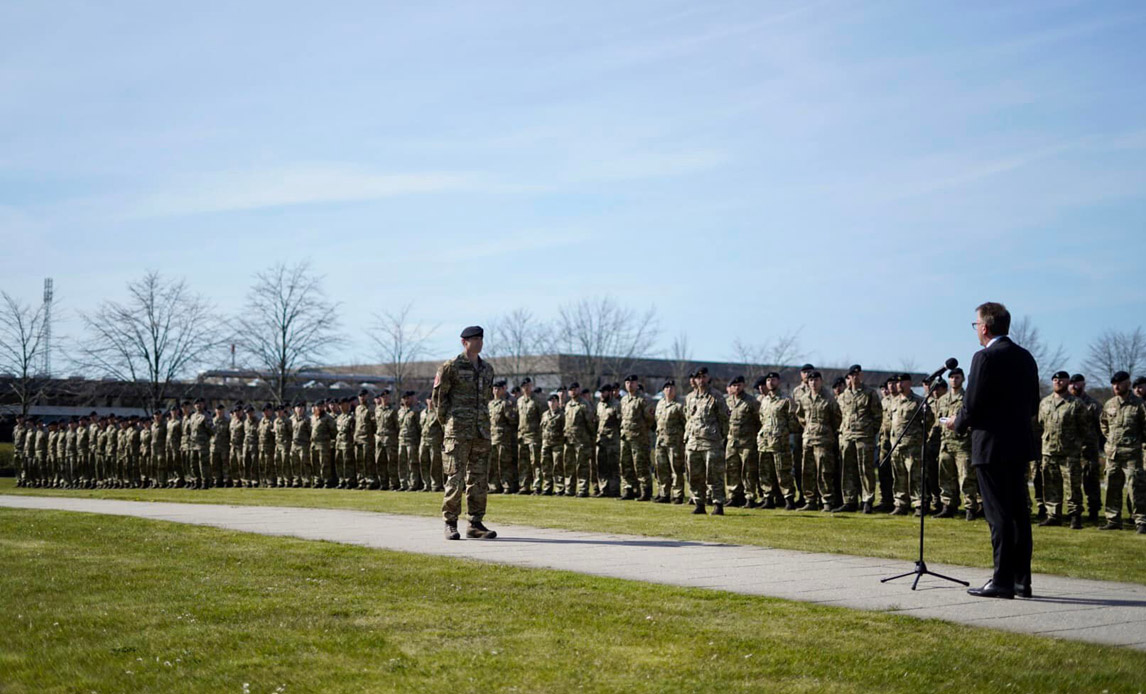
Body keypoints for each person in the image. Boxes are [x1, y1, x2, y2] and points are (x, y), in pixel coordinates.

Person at [946, 301, 1039, 599]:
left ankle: (1001, 580)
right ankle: (1022, 580)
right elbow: (1034, 404)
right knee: (1018, 514)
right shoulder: (1026, 357)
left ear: (984, 328)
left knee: (998, 515)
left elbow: (972, 404)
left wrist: (956, 422)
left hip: (990, 446)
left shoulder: (984, 357)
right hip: (1019, 444)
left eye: (976, 325)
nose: (976, 331)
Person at [433, 325, 498, 540]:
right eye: (474, 339)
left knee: (479, 479)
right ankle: (450, 522)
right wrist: (449, 425)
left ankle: (475, 523)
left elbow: (487, 398)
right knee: (455, 478)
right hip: (457, 432)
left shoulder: (487, 369)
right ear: (464, 342)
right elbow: (439, 400)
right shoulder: (451, 367)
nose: (479, 342)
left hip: (480, 432)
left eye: (481, 338)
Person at [1037, 371, 1088, 529]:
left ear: (1067, 382)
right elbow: (1040, 424)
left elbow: (1084, 428)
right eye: (1055, 380)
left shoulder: (1076, 403)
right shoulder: (1045, 403)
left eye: (1061, 380)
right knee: (1051, 485)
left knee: (1072, 486)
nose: (1058, 382)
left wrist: (1077, 445)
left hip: (1069, 452)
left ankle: (1074, 516)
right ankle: (1053, 515)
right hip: (1049, 451)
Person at [1098, 371, 1146, 533]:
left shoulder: (1139, 405)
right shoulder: (1109, 404)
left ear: (1127, 383)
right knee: (1111, 486)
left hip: (1132, 454)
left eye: (1119, 383)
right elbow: (1104, 425)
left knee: (1136, 488)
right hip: (1113, 454)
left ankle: (1141, 521)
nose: (1116, 386)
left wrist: (1137, 442)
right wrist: (1111, 440)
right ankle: (1113, 519)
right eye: (1114, 384)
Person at [685, 367, 730, 515]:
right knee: (695, 475)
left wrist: (721, 438)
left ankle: (718, 504)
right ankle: (699, 503)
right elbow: (688, 418)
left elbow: (724, 419)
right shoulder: (690, 397)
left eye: (703, 377)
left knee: (714, 475)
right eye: (698, 377)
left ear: (708, 378)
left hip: (711, 442)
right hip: (693, 442)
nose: (701, 380)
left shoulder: (716, 396)